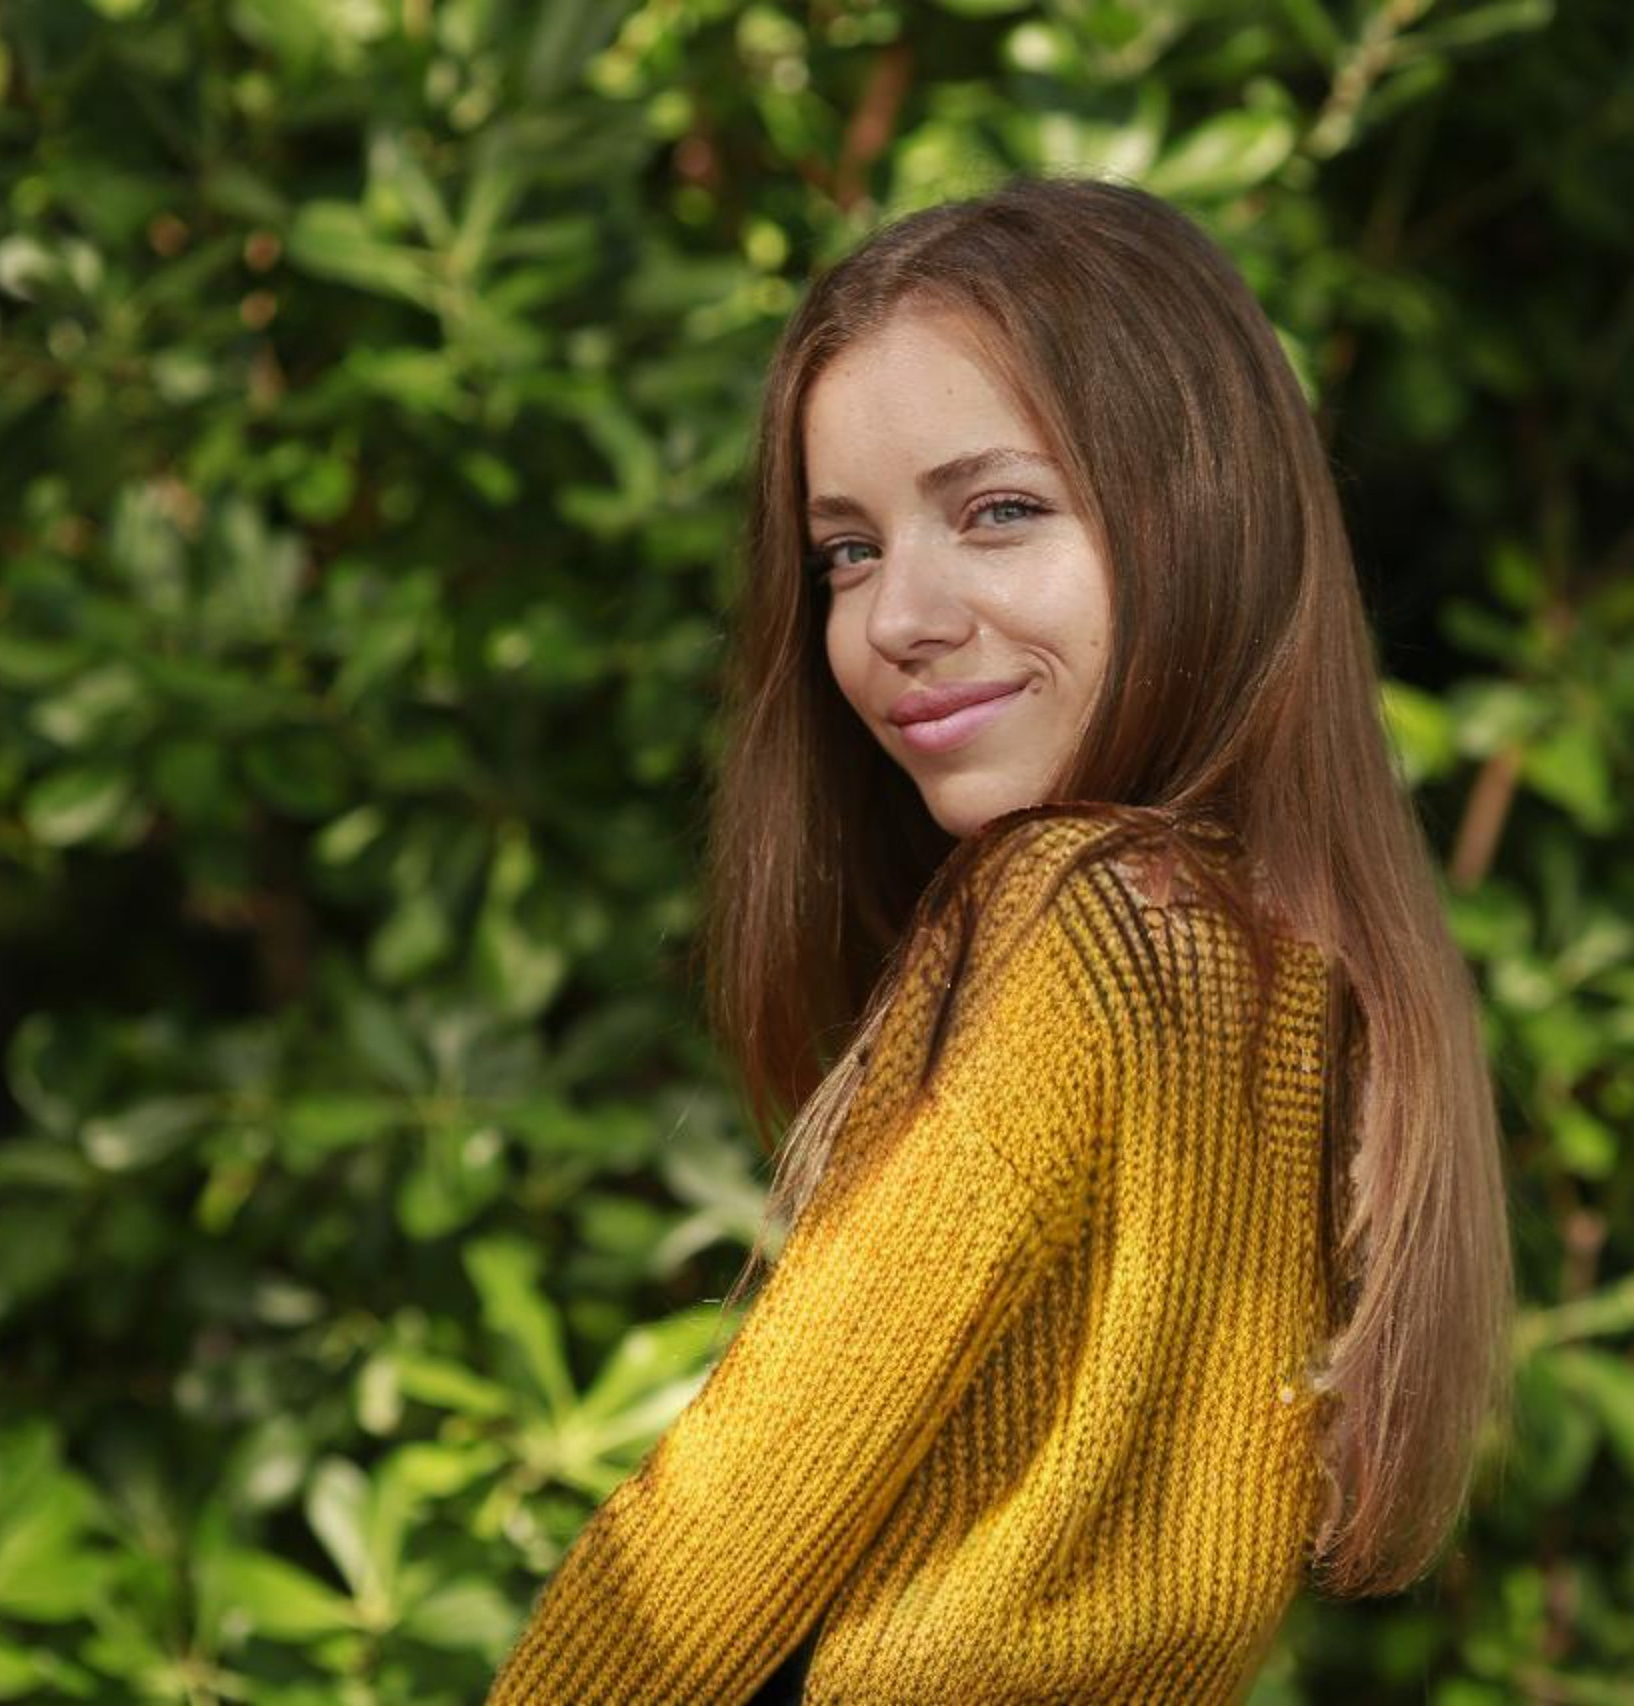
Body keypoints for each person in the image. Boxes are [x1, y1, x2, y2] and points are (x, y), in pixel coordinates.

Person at [487, 172, 1513, 1704]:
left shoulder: (1085, 915)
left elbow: (748, 1502)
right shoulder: (1277, 962)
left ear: (1200, 510)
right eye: (845, 550)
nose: (896, 614)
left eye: (1000, 511)